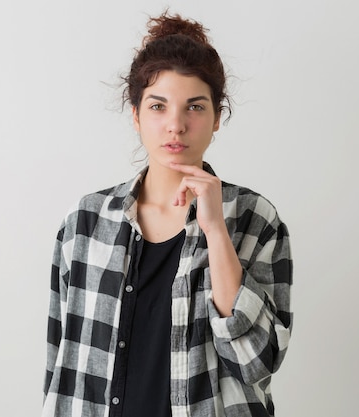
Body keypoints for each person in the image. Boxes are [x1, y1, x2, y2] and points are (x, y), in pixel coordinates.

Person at [42, 11, 292, 417]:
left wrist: (214, 230)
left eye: (194, 107)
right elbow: (60, 364)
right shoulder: (84, 223)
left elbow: (257, 362)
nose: (176, 125)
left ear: (216, 120)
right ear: (137, 116)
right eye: (158, 106)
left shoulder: (255, 219)